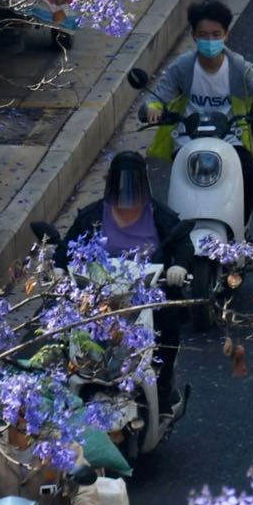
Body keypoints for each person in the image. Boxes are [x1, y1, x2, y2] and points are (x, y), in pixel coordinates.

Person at [55, 151, 194, 418]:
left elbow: (183, 244)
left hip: (147, 298)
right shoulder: (92, 216)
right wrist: (60, 268)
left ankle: (163, 389)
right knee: (67, 337)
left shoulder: (159, 215)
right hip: (98, 300)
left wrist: (179, 266)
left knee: (167, 331)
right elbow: (66, 247)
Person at [142, 0, 253, 220]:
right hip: (187, 141)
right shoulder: (182, 67)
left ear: (226, 35)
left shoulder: (239, 68)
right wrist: (153, 108)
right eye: (203, 35)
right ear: (194, 36)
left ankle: (240, 227)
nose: (210, 40)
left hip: (230, 140)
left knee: (252, 178)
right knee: (182, 186)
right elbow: (157, 97)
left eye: (216, 35)